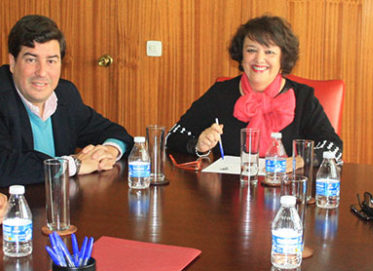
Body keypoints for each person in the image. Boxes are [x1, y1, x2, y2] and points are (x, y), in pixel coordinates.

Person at [166, 15, 342, 164]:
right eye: (251, 50)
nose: (259, 59)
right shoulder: (220, 94)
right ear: (241, 55)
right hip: (229, 197)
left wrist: (300, 161)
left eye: (269, 52)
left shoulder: (303, 97)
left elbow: (334, 147)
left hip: (287, 195)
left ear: (283, 58)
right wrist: (198, 144)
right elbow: (172, 137)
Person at [0, 15, 133, 187]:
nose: (42, 72)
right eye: (31, 60)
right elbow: (5, 167)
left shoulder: (65, 94)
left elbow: (116, 132)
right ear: (12, 62)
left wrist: (108, 151)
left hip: (61, 206)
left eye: (51, 61)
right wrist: (73, 165)